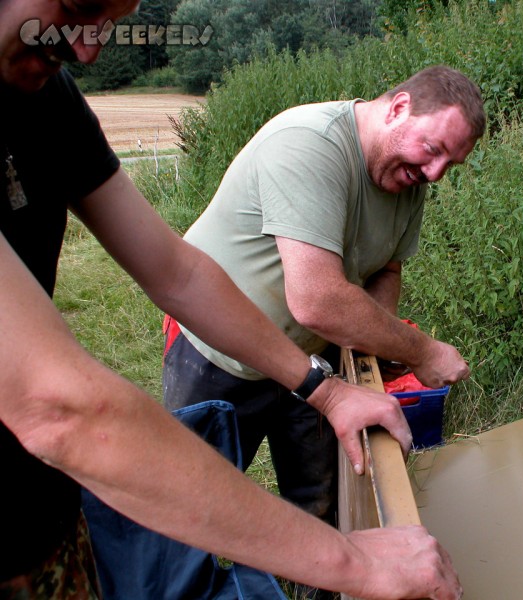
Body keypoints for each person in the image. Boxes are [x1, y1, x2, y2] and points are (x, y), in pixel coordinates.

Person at [0, 1, 463, 599]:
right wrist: (356, 563)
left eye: (107, 24)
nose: (87, 49)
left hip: (41, 522)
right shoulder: (312, 144)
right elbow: (60, 409)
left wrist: (323, 390)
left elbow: (180, 273)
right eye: (78, 7)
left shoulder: (48, 99)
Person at [162, 65, 486, 541]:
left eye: (449, 166)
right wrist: (422, 351)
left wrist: (374, 346)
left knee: (317, 501)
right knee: (190, 508)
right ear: (398, 107)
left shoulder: (408, 178)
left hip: (313, 362)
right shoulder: (309, 145)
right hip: (218, 352)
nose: (435, 173)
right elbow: (317, 300)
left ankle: (314, 586)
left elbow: (386, 269)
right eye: (433, 150)